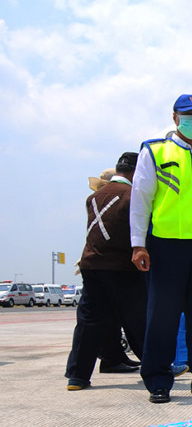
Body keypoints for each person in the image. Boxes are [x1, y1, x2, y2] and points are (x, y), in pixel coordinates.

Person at [130, 94, 192, 404]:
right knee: (163, 314)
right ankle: (159, 380)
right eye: (188, 115)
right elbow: (140, 199)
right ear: (175, 118)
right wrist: (138, 244)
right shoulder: (155, 152)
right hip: (165, 246)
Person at [65, 152, 148, 390]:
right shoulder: (133, 196)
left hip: (91, 265)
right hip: (120, 265)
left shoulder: (93, 197)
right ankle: (155, 364)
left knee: (89, 320)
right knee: (138, 319)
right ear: (136, 172)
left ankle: (77, 376)